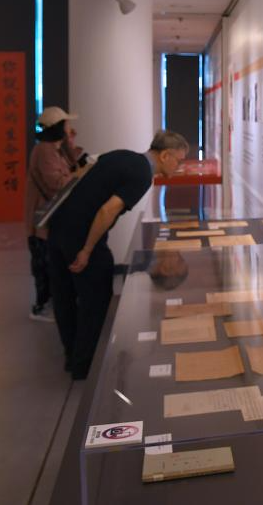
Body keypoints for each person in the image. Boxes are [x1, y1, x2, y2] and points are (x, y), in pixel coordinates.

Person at [47, 130, 188, 379]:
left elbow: (82, 177)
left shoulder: (122, 156)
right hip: (80, 235)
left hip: (58, 228)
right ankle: (86, 366)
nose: (179, 167)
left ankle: (73, 357)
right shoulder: (142, 174)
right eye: (178, 160)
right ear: (165, 155)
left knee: (64, 296)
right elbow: (107, 210)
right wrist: (87, 250)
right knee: (96, 299)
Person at [23, 106, 84, 322]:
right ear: (58, 127)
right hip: (43, 219)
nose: (70, 128)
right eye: (66, 124)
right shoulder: (44, 150)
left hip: (52, 218)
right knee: (44, 263)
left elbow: (74, 163)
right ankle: (42, 306)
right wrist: (77, 176)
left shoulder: (57, 148)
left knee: (52, 263)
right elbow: (56, 183)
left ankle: (53, 303)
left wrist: (70, 143)